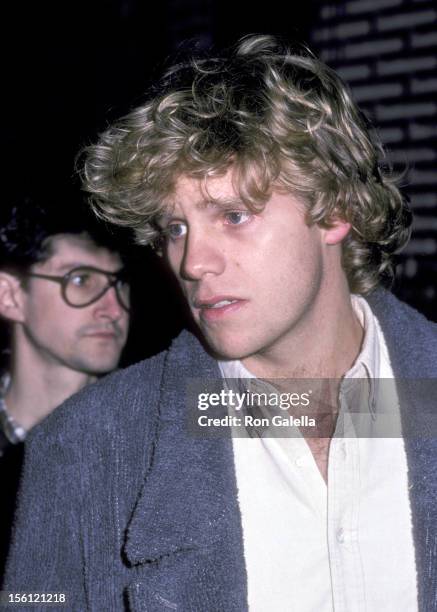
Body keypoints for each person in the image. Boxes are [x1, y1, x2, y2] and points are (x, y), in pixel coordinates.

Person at [4, 35, 437, 611]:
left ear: (335, 211)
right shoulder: (85, 449)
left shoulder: (422, 392)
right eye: (175, 229)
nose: (192, 262)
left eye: (233, 216)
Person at [0, 194, 130, 581]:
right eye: (80, 280)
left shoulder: (155, 428)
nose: (113, 308)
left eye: (118, 282)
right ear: (10, 297)